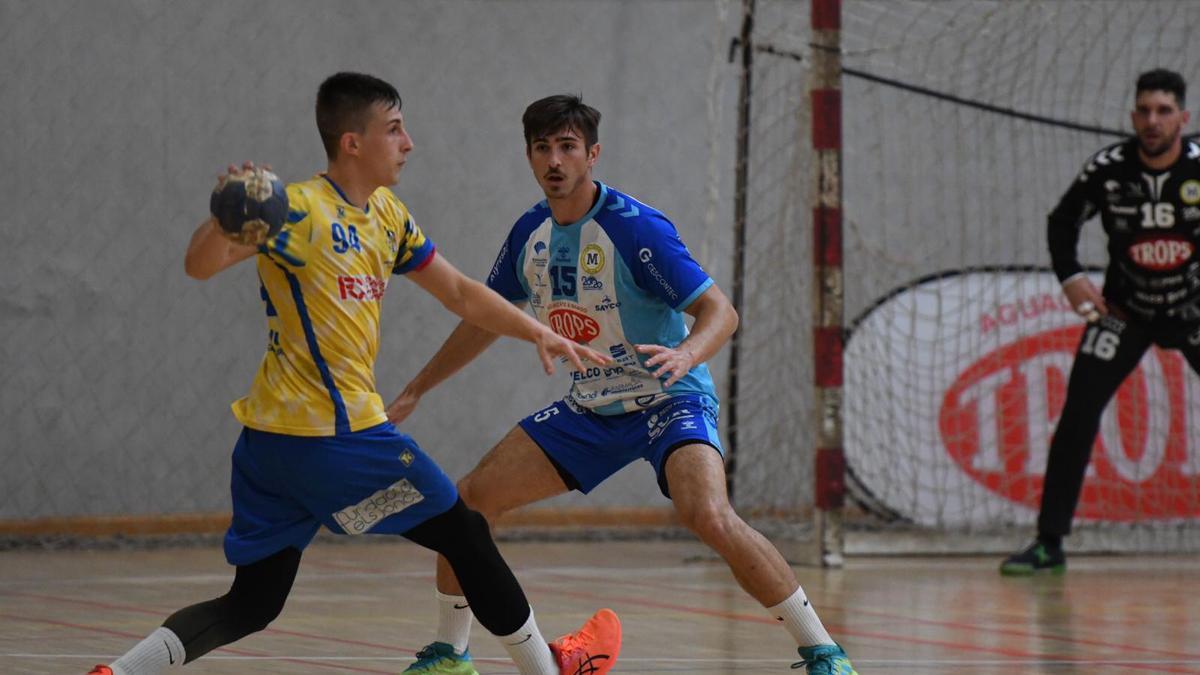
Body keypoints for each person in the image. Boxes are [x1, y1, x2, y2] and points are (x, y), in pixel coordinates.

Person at [88, 72, 623, 675]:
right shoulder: (295, 208)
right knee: (466, 534)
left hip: (272, 452)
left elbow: (460, 293)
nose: (408, 142)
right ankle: (544, 671)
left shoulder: (387, 215)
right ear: (352, 142)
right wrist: (225, 219)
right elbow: (199, 265)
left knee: (253, 602)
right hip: (338, 441)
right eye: (394, 129)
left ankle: (118, 672)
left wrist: (539, 331)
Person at [388, 95, 857, 675]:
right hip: (592, 408)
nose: (554, 160)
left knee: (707, 513)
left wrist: (686, 354)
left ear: (593, 154)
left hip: (669, 397)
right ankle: (450, 654)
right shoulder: (528, 234)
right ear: (530, 156)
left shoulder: (635, 229)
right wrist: (417, 387)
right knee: (467, 505)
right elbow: (483, 317)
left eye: (567, 147)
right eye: (542, 148)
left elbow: (721, 312)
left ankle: (824, 653)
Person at [1001, 68, 1200, 575]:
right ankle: (1049, 544)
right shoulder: (1108, 169)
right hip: (1125, 312)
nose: (1153, 121)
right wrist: (1070, 277)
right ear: (1133, 116)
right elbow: (1062, 222)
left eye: (1163, 110)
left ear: (1184, 117)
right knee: (1077, 414)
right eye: (1144, 111)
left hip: (1192, 309)